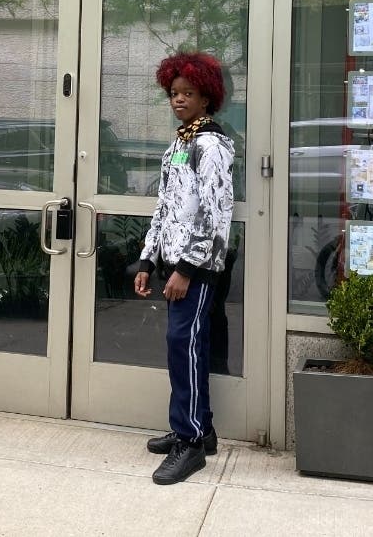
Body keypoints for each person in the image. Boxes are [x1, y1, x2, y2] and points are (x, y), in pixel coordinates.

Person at [134, 50, 235, 485]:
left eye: (187, 93)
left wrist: (186, 269)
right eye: (174, 93)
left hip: (197, 268)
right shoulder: (180, 142)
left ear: (206, 96)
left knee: (186, 346)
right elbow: (166, 207)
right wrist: (148, 258)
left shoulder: (210, 145)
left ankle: (191, 442)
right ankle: (196, 428)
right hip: (174, 261)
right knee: (183, 348)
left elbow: (215, 217)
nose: (178, 100)